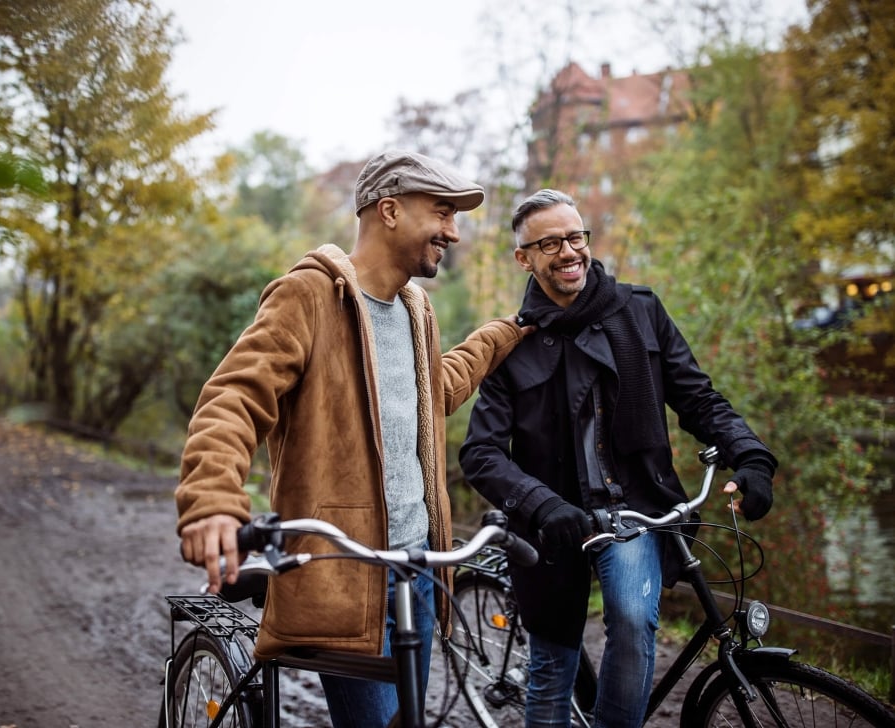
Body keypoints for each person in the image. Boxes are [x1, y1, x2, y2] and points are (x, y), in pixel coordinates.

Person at [175, 149, 532, 728]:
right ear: (389, 210)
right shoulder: (309, 296)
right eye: (442, 212)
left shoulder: (417, 310)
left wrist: (502, 334)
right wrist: (212, 501)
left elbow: (428, 390)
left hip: (416, 569)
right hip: (344, 573)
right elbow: (233, 399)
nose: (454, 233)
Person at [459, 188, 777, 728]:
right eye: (550, 242)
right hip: (550, 526)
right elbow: (481, 453)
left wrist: (751, 456)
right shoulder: (512, 343)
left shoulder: (641, 311)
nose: (569, 252)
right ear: (524, 257)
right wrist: (539, 504)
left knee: (632, 620)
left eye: (576, 237)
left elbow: (697, 397)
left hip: (633, 510)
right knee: (551, 664)